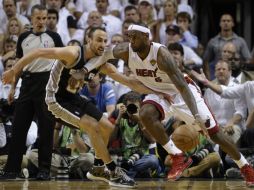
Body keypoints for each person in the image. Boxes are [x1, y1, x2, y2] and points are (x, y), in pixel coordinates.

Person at [72, 24, 254, 186]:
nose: (131, 40)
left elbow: (182, 87)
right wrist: (85, 70)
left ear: (146, 37)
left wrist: (196, 116)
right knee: (145, 114)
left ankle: (245, 167)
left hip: (182, 93)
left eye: (135, 36)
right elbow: (102, 56)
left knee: (216, 135)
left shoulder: (161, 54)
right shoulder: (125, 50)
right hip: (158, 92)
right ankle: (177, 156)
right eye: (129, 36)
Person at [2, 26, 162, 188]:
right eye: (99, 39)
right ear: (88, 40)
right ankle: (113, 171)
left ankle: (98, 167)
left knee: (107, 127)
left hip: (74, 98)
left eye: (105, 41)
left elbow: (129, 82)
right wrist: (13, 70)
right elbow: (37, 53)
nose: (103, 44)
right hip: (54, 99)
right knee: (92, 126)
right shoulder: (73, 53)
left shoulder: (101, 64)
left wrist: (160, 90)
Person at [0, 4, 63, 180]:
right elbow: (18, 65)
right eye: (39, 18)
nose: (42, 21)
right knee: (19, 128)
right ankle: (12, 169)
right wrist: (13, 87)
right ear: (32, 18)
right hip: (27, 84)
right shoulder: (23, 38)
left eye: (44, 18)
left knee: (46, 129)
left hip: (46, 84)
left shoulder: (54, 37)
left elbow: (63, 60)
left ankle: (44, 170)